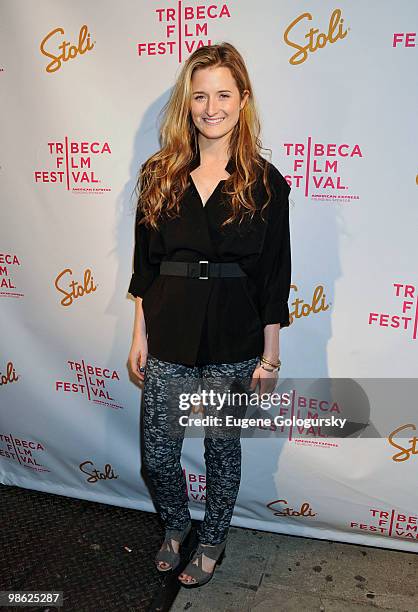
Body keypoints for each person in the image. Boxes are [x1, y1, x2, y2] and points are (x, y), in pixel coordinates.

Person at [128, 42, 291, 588]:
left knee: (221, 452)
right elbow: (145, 265)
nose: (211, 106)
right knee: (157, 456)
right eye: (200, 95)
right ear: (187, 103)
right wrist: (139, 336)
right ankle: (176, 526)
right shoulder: (159, 173)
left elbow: (273, 273)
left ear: (243, 100)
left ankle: (214, 538)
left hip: (232, 338)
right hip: (170, 332)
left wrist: (269, 357)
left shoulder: (266, 182)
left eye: (223, 93)